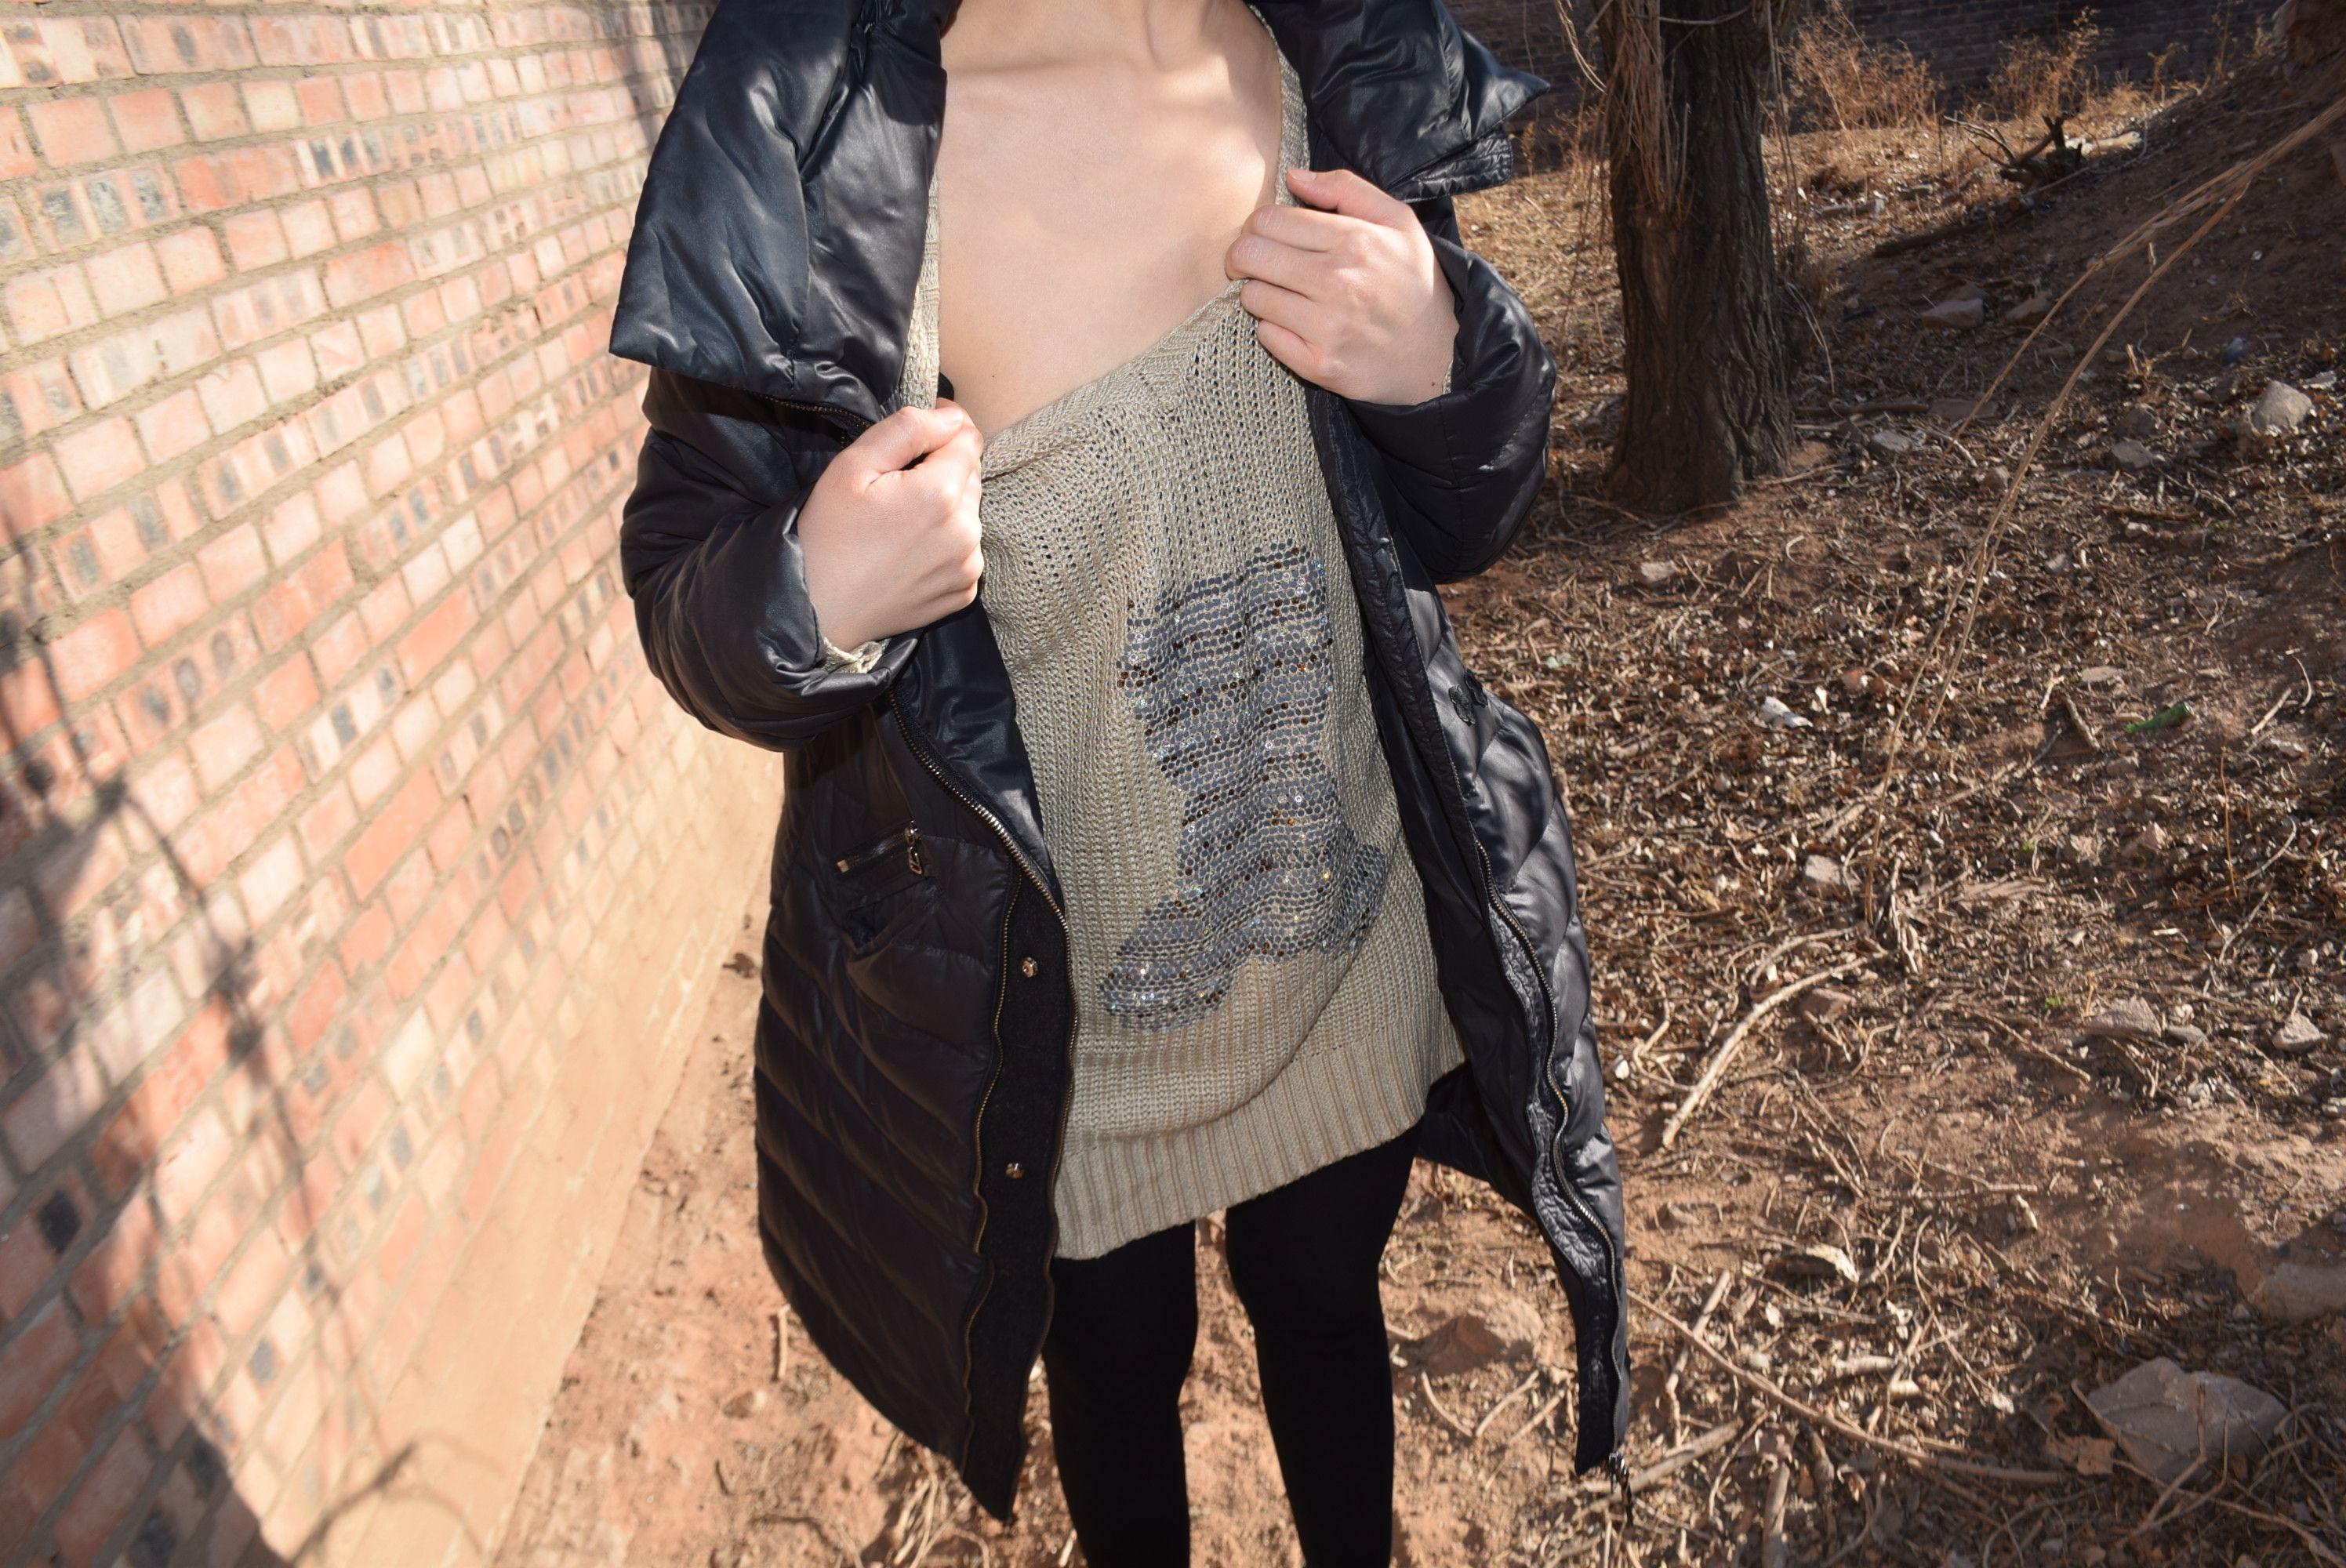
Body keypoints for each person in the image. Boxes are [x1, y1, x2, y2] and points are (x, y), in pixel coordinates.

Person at [607, 0, 1630, 1561]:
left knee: (1322, 1292)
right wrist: (807, 593)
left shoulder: (1342, 64)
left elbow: (1465, 511)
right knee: (1116, 1366)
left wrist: (1449, 361)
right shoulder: (826, 144)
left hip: (1341, 951)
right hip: (1061, 1042)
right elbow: (689, 583)